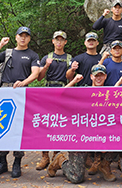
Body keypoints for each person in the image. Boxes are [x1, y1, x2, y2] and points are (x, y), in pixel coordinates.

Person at [0, 26, 40, 178]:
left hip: (21, 92)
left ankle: (17, 162)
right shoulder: (8, 53)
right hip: (3, 92)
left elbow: (36, 73)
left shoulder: (32, 54)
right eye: (21, 35)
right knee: (2, 125)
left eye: (26, 36)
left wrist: (24, 82)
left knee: (18, 128)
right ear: (16, 37)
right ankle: (2, 162)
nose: (23, 38)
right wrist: (0, 45)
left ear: (29, 38)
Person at [47, 64, 122, 182]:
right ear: (91, 77)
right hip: (81, 136)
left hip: (101, 133)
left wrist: (119, 83)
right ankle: (61, 160)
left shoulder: (108, 91)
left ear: (105, 77)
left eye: (101, 75)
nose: (98, 78)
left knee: (120, 136)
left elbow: (112, 95)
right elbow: (60, 95)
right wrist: (74, 81)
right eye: (96, 76)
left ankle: (104, 165)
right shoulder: (83, 91)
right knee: (76, 178)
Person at [36, 30, 73, 170]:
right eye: (56, 39)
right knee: (46, 124)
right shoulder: (47, 57)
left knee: (59, 124)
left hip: (64, 92)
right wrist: (46, 65)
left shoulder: (70, 58)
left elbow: (71, 78)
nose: (59, 42)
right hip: (48, 92)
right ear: (52, 41)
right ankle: (44, 156)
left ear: (65, 42)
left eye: (61, 40)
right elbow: (39, 77)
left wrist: (73, 69)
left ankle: (55, 156)